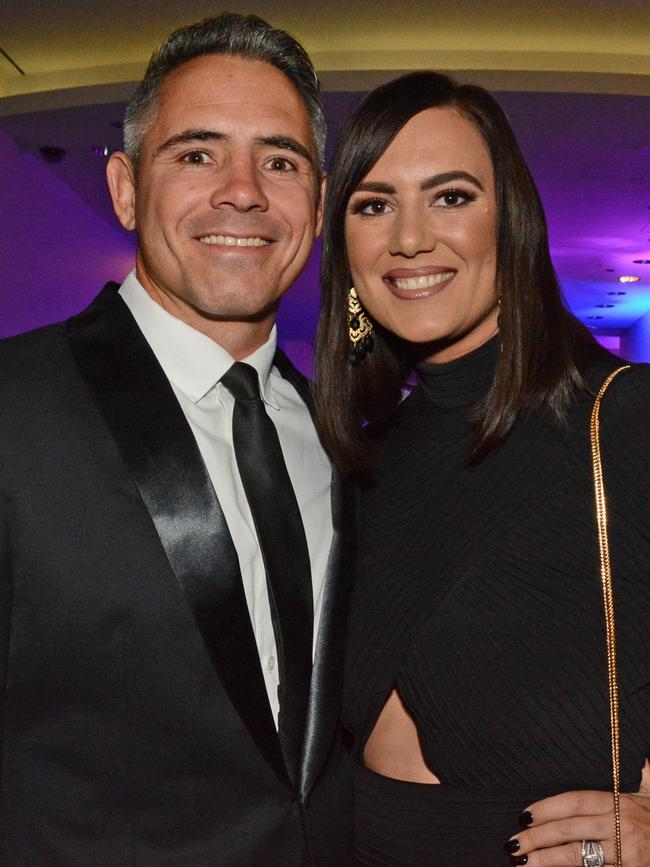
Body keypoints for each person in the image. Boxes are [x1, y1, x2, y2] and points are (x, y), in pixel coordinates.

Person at [0, 13, 354, 866]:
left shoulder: (346, 436)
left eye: (281, 160)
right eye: (197, 153)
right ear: (124, 189)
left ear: (317, 201)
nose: (244, 190)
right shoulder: (15, 409)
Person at [315, 71, 650, 867]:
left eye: (451, 196)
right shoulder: (368, 456)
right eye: (373, 204)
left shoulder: (625, 416)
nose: (409, 238)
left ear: (514, 222)